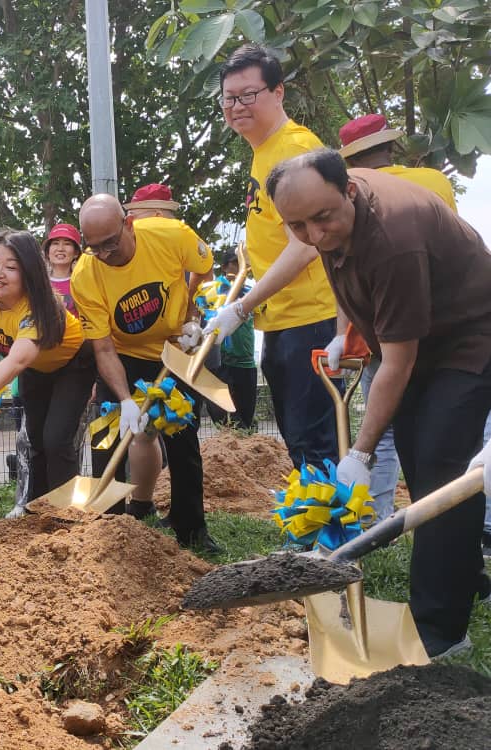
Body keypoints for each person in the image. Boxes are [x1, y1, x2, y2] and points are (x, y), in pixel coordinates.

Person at [265, 148, 491, 659]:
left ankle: (441, 628)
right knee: (420, 454)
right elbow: (341, 272)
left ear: (348, 190)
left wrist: (361, 454)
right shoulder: (323, 211)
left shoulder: (393, 239)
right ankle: (465, 571)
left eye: (323, 219)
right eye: (298, 227)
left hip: (468, 336)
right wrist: (347, 331)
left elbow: (398, 363)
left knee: (439, 467)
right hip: (418, 337)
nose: (315, 236)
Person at [203, 44, 342, 470]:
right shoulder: (264, 152)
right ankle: (314, 534)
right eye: (229, 97)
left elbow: (305, 247)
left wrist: (240, 308)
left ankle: (331, 536)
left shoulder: (292, 151)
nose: (236, 106)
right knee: (297, 437)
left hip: (310, 319)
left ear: (278, 92)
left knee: (312, 438)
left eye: (248, 94)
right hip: (283, 319)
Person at [73, 193, 220, 553]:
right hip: (123, 356)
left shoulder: (171, 236)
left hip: (174, 350)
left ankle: (191, 528)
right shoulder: (85, 275)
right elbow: (103, 347)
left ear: (128, 223)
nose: (106, 254)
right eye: (96, 248)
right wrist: (124, 400)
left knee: (182, 437)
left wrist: (194, 313)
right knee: (106, 436)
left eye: (111, 243)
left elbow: (205, 271)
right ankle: (108, 526)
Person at [338, 113, 460, 521]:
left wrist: (344, 336)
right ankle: (481, 521)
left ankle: (376, 515)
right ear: (389, 146)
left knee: (382, 427)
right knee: (466, 431)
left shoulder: (351, 195)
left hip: (387, 326)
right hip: (447, 322)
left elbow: (344, 272)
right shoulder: (433, 181)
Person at [0, 230, 94, 510]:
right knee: (35, 440)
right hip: (36, 369)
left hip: (73, 364)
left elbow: (17, 360)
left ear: (28, 272)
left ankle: (66, 515)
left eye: (11, 267)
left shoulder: (40, 307)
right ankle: (36, 509)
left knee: (56, 439)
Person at [204, 251, 257, 431]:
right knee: (228, 420)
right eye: (236, 263)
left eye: (246, 265)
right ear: (225, 266)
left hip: (247, 364)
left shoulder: (252, 293)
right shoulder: (214, 292)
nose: (244, 268)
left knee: (246, 418)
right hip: (222, 365)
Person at [42, 223, 82, 315]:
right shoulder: (38, 283)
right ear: (48, 252)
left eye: (67, 244)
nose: (60, 249)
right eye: (55, 243)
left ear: (76, 252)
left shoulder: (81, 283)